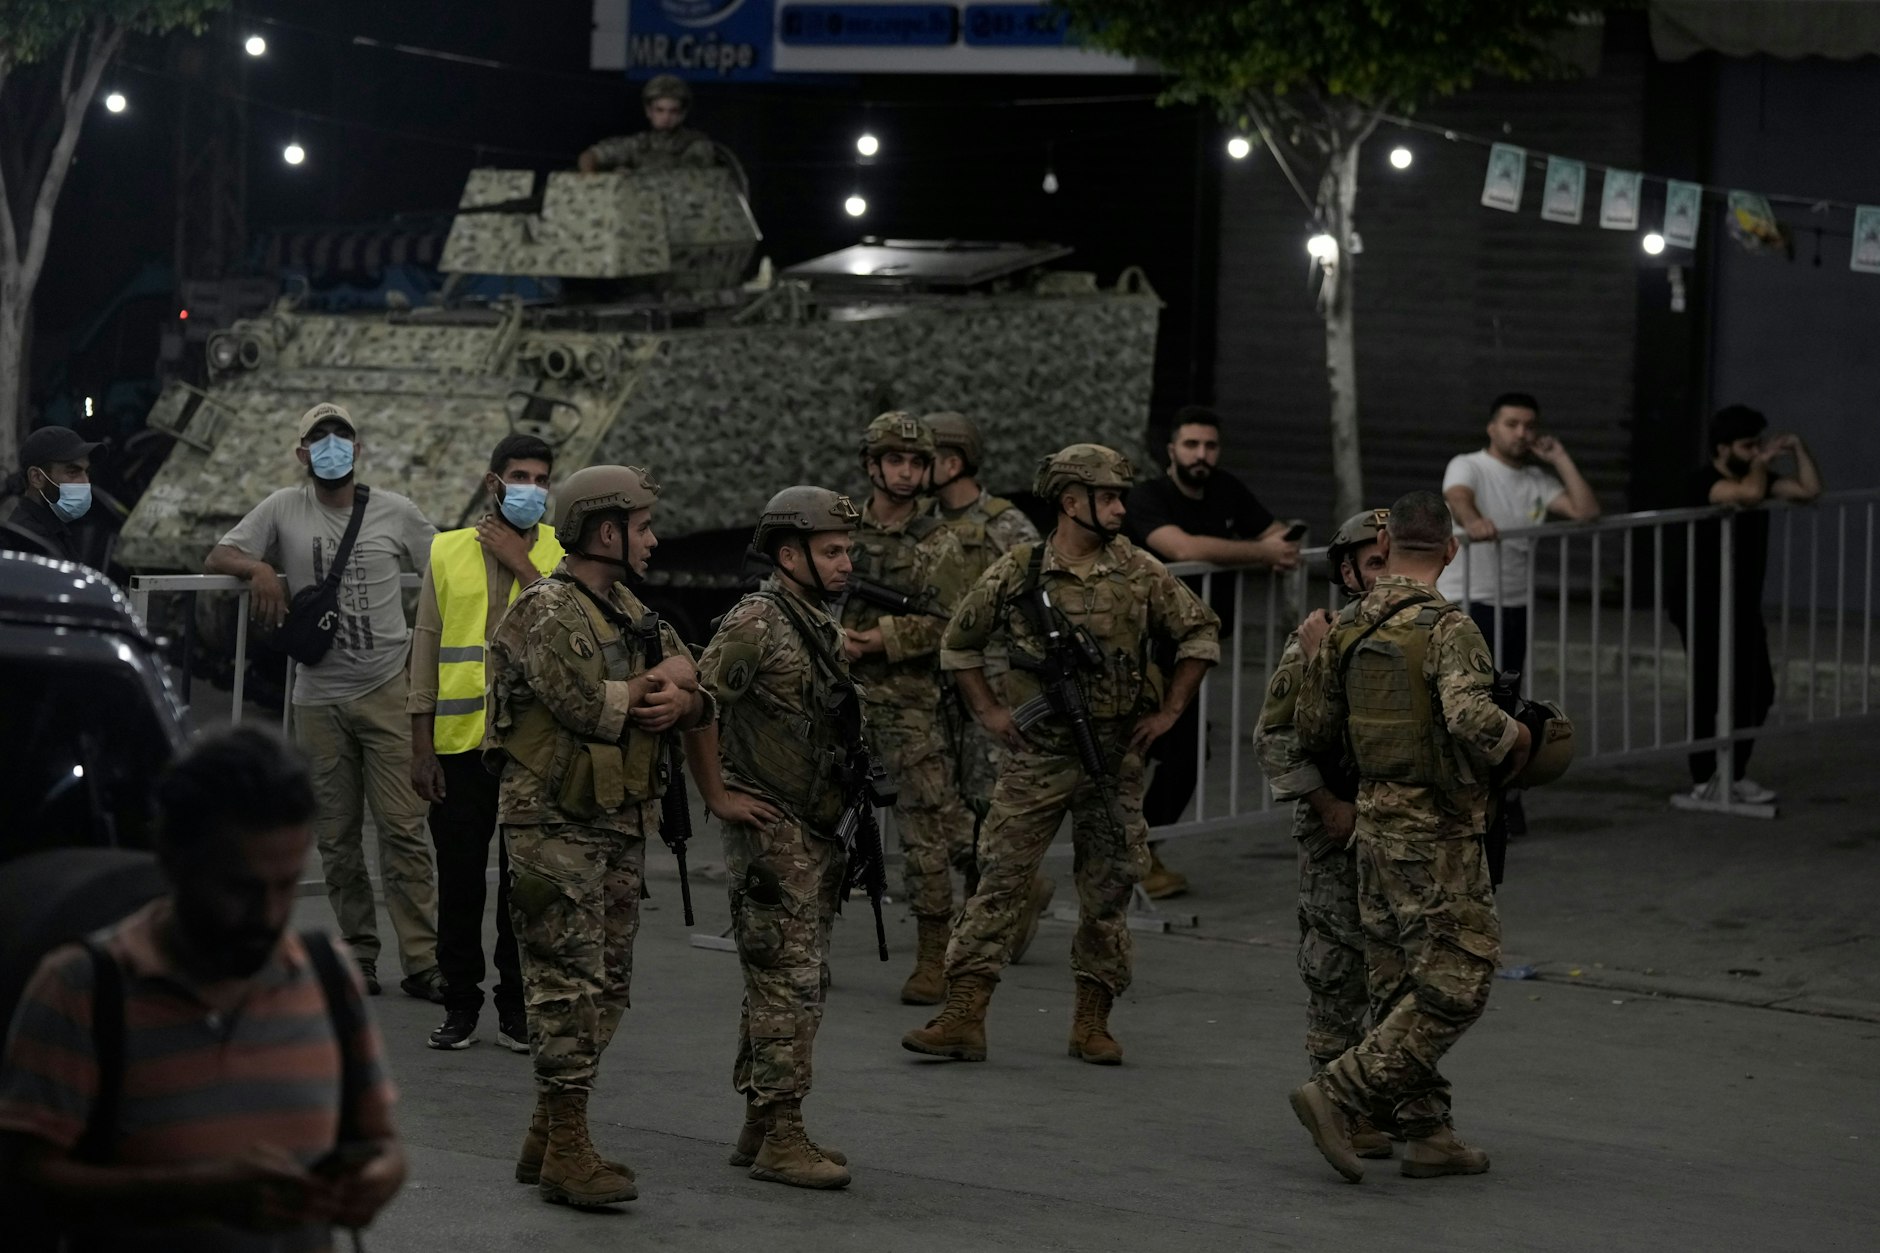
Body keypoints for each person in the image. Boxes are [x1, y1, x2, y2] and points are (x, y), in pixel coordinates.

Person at [0, 725, 407, 1250]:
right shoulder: (82, 989)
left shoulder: (329, 974)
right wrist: (192, 1194)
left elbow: (381, 1143)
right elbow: (24, 1182)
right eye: (240, 889)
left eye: (286, 885)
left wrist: (378, 1176)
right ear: (175, 860)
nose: (269, 915)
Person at [902, 444, 1219, 1066]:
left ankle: (1091, 1023)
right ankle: (963, 1015)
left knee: (1108, 890)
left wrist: (1170, 712)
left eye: (1122, 497)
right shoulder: (1020, 570)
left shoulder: (1140, 570)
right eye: (1109, 498)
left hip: (1113, 758)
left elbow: (1200, 633)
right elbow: (959, 644)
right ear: (1072, 503)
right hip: (1038, 756)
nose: (1121, 509)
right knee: (998, 882)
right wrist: (991, 712)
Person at [484, 463, 713, 1210]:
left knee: (607, 984)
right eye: (642, 527)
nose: (652, 540)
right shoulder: (547, 610)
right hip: (554, 824)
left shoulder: (624, 606)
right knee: (564, 986)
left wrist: (679, 694)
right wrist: (654, 684)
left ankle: (548, 1133)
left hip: (613, 820)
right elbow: (585, 704)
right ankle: (567, 1149)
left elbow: (692, 672)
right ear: (606, 532)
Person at [1289, 490, 1532, 1183]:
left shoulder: (1348, 625)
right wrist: (1521, 738)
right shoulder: (1450, 627)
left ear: (1387, 547)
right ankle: (1340, 1092)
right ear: (1451, 550)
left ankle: (1427, 1132)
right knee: (1461, 977)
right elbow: (1470, 719)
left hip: (1374, 823)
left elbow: (1312, 728)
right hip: (1437, 831)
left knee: (1399, 980)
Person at [205, 403, 441, 1002]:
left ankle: (423, 960)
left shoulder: (395, 511)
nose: (332, 444)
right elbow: (219, 555)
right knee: (337, 838)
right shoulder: (283, 507)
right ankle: (359, 954)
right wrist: (259, 568)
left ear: (357, 451)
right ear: (302, 452)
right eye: (319, 437)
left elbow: (443, 568)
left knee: (404, 831)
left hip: (387, 689)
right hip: (318, 697)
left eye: (342, 436)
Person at [684, 486, 864, 1191]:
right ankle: (783, 1133)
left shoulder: (813, 619)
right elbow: (700, 705)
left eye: (847, 550)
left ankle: (761, 1123)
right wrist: (717, 795)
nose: (846, 562)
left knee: (792, 977)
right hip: (773, 828)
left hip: (811, 825)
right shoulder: (758, 621)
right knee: (788, 981)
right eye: (832, 551)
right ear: (790, 556)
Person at [408, 434, 564, 1053]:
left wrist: (522, 563)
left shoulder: (559, 552)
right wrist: (420, 745)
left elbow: (565, 628)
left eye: (542, 479)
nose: (532, 488)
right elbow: (426, 646)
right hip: (458, 746)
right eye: (520, 476)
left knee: (523, 886)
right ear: (493, 482)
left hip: (531, 746)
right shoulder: (446, 550)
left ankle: (515, 1007)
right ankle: (460, 1005)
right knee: (460, 881)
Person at [1254, 509, 1394, 1160]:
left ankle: (1388, 1097)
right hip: (1336, 827)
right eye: (1374, 563)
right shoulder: (1317, 640)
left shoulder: (1429, 634)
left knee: (1401, 972)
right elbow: (1274, 737)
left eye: (1395, 561)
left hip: (1402, 831)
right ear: (1348, 573)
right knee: (1338, 969)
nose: (1387, 575)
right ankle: (1336, 1103)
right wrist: (1327, 802)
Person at [1126, 405, 1300, 899]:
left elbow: (1276, 533)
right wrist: (1261, 553)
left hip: (1193, 651)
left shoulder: (1225, 488)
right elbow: (1180, 549)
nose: (1201, 455)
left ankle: (1140, 852)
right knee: (1132, 750)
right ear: (1171, 450)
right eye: (1191, 445)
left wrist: (1282, 544)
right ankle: (1122, 855)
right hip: (1142, 649)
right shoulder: (1147, 497)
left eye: (1210, 445)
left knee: (1185, 753)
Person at [842, 412, 977, 1006]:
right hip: (839, 696)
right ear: (872, 465)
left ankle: (932, 955)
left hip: (908, 705)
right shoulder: (839, 527)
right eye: (893, 460)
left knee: (927, 834)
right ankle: (805, 945)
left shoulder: (940, 541)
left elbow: (953, 623)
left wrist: (877, 640)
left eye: (916, 463)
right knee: (820, 826)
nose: (904, 472)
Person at [922, 410, 1053, 960]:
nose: (911, 469)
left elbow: (1040, 602)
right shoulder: (922, 521)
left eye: (924, 459)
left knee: (988, 801)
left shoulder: (1007, 525)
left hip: (995, 679)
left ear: (953, 463)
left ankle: (1003, 906)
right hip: (935, 679)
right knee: (943, 799)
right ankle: (997, 902)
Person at [1666, 405, 1821, 805]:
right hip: (1700, 601)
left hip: (1742, 601)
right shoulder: (1704, 481)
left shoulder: (1758, 476)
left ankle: (1732, 772)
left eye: (1758, 444)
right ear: (1723, 448)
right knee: (1710, 689)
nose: (1756, 452)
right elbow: (1749, 496)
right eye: (1747, 445)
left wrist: (1798, 448)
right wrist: (1762, 464)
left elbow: (1809, 491)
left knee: (1758, 689)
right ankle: (1704, 778)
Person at [1438, 392, 1600, 675]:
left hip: (1516, 602)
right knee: (1467, 690)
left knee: (1506, 690)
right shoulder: (1468, 465)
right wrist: (1474, 522)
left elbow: (1586, 511)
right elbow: (1458, 497)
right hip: (1468, 599)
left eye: (1529, 426)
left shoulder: (1537, 480)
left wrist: (1560, 458)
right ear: (1492, 428)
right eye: (1512, 424)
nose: (1522, 433)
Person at [1, 425, 101, 564]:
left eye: (87, 472)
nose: (85, 482)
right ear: (37, 478)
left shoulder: (54, 529)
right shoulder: (28, 544)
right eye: (73, 472)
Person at [578, 75, 717, 174]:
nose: (666, 117)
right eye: (660, 110)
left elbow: (683, 179)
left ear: (682, 114)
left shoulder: (696, 145)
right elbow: (590, 156)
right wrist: (592, 179)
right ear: (649, 112)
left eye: (673, 111)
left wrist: (632, 176)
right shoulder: (639, 143)